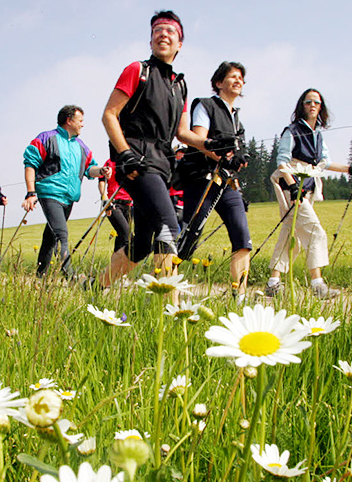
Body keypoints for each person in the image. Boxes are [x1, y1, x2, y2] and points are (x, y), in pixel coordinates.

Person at [96, 10, 200, 288]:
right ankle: (170, 307)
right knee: (169, 227)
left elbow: (183, 133)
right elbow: (109, 114)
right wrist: (125, 154)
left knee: (141, 244)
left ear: (180, 44)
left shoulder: (180, 86)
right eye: (157, 30)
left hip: (162, 166)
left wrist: (213, 146)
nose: (163, 35)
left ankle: (94, 288)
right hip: (137, 162)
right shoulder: (137, 70)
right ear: (151, 39)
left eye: (170, 31)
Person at [264, 88, 352, 299]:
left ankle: (273, 282)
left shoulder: (318, 134)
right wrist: (293, 187)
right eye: (308, 102)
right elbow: (282, 162)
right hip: (291, 190)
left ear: (321, 108)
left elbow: (324, 162)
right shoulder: (291, 131)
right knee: (315, 231)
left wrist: (350, 169)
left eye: (316, 103)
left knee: (290, 237)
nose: (312, 105)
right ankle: (317, 284)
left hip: (307, 189)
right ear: (302, 106)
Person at [177, 61, 252, 303]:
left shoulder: (237, 119)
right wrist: (224, 156)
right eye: (232, 76)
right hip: (203, 178)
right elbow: (199, 140)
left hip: (228, 184)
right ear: (218, 82)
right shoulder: (205, 105)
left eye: (241, 77)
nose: (238, 80)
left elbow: (235, 157)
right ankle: (165, 289)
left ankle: (238, 296)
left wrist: (237, 166)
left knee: (242, 236)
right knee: (190, 235)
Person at [22, 105, 111, 278]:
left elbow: (90, 168)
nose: (83, 125)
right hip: (49, 193)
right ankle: (70, 276)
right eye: (80, 121)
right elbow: (30, 164)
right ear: (69, 120)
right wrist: (31, 192)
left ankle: (40, 277)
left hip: (69, 197)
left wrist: (101, 170)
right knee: (61, 234)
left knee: (51, 237)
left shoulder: (81, 146)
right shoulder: (47, 138)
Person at [98, 158, 133, 254]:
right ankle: (125, 264)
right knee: (127, 236)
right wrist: (105, 198)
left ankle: (114, 267)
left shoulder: (132, 160)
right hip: (113, 203)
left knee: (121, 238)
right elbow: (101, 180)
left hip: (129, 203)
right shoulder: (110, 162)